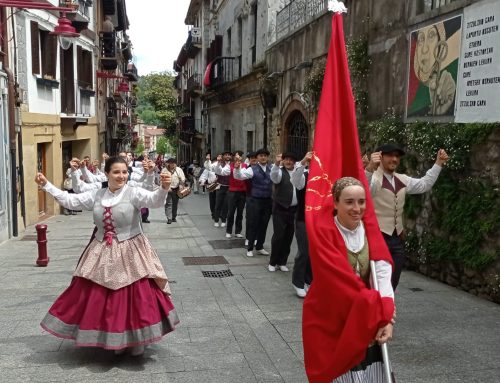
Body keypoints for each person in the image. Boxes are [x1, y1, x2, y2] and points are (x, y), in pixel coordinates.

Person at [35, 156, 178, 355]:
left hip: (131, 249)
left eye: (124, 172)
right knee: (99, 294)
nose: (121, 176)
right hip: (102, 248)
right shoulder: (97, 195)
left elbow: (154, 201)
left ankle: (135, 340)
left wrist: (163, 188)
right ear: (107, 174)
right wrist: (47, 185)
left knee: (135, 294)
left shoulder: (133, 193)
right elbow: (70, 200)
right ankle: (112, 337)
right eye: (116, 172)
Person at [330, 177, 395, 382]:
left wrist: (387, 318)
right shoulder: (326, 234)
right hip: (339, 319)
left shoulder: (370, 234)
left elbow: (383, 276)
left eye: (361, 201)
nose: (357, 208)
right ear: (335, 203)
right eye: (349, 202)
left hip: (368, 320)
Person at [365, 143, 449, 290]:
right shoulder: (374, 178)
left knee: (393, 281)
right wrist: (370, 168)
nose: (394, 159)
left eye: (397, 156)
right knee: (375, 283)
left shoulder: (401, 179)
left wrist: (438, 164)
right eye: (390, 155)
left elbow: (424, 184)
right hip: (376, 237)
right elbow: (365, 191)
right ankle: (374, 310)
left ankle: (387, 310)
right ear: (380, 156)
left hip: (396, 239)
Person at [234, 148, 272, 257]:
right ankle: (250, 248)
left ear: (267, 157)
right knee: (254, 224)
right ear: (257, 158)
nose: (263, 157)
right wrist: (237, 169)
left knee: (264, 224)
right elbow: (240, 176)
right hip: (256, 200)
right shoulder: (252, 169)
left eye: (265, 155)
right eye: (261, 156)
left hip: (268, 200)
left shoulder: (272, 168)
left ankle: (260, 246)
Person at [268, 152, 299, 272]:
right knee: (278, 235)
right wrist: (276, 163)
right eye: (286, 159)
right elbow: (274, 176)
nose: (288, 162)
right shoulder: (280, 172)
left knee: (289, 236)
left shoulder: (298, 172)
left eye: (291, 160)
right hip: (280, 208)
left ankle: (282, 262)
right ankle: (273, 262)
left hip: (294, 210)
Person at [290, 151, 314, 298]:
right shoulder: (304, 175)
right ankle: (298, 282)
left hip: (319, 220)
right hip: (303, 219)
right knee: (304, 252)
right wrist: (303, 160)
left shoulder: (326, 176)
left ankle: (309, 280)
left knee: (314, 253)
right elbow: (294, 180)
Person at [214, 150, 247, 238]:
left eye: (239, 156)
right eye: (236, 155)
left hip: (242, 192)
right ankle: (228, 231)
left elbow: (244, 176)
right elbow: (220, 172)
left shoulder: (245, 166)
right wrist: (218, 163)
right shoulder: (230, 166)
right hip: (232, 191)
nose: (238, 157)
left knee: (240, 213)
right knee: (231, 212)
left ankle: (238, 231)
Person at [212, 151, 232, 227]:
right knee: (218, 203)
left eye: (229, 155)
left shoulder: (232, 164)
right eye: (225, 155)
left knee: (226, 204)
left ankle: (224, 219)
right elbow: (213, 169)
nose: (227, 156)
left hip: (229, 187)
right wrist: (218, 162)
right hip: (220, 186)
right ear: (223, 156)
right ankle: (216, 220)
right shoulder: (219, 163)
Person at [164, 158, 186, 224]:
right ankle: (169, 218)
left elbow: (183, 179)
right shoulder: (165, 170)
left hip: (176, 189)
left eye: (173, 163)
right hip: (168, 189)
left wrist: (181, 183)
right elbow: (162, 179)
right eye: (170, 163)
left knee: (175, 204)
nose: (172, 165)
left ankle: (174, 216)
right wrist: (167, 187)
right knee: (168, 203)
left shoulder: (179, 170)